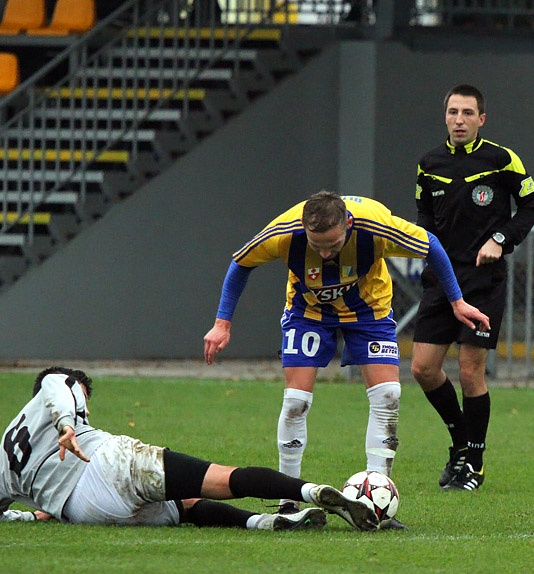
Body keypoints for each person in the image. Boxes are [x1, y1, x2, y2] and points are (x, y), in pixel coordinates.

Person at [203, 191, 490, 522]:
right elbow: (241, 262)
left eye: (333, 245)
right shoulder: (283, 232)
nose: (325, 253)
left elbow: (432, 247)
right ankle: (287, 500)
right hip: (307, 312)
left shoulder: (377, 227)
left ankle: (374, 503)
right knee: (296, 400)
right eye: (317, 245)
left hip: (369, 310)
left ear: (349, 226)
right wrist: (222, 323)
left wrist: (457, 302)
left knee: (388, 395)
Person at [0, 367, 379, 532]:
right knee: (223, 478)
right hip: (111, 464)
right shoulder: (56, 390)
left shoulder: (2, 459)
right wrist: (66, 424)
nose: (86, 408)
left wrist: (35, 513)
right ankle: (311, 491)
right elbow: (60, 387)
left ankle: (262, 524)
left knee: (185, 507)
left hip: (86, 513)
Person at [411, 84, 534, 491]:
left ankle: (475, 462)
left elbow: (532, 206)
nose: (459, 120)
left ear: (481, 119)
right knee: (423, 369)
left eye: (468, 113)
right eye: (453, 112)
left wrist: (501, 240)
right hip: (441, 281)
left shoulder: (502, 160)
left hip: (483, 282)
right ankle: (459, 444)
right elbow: (424, 221)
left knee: (470, 372)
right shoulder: (428, 164)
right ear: (445, 116)